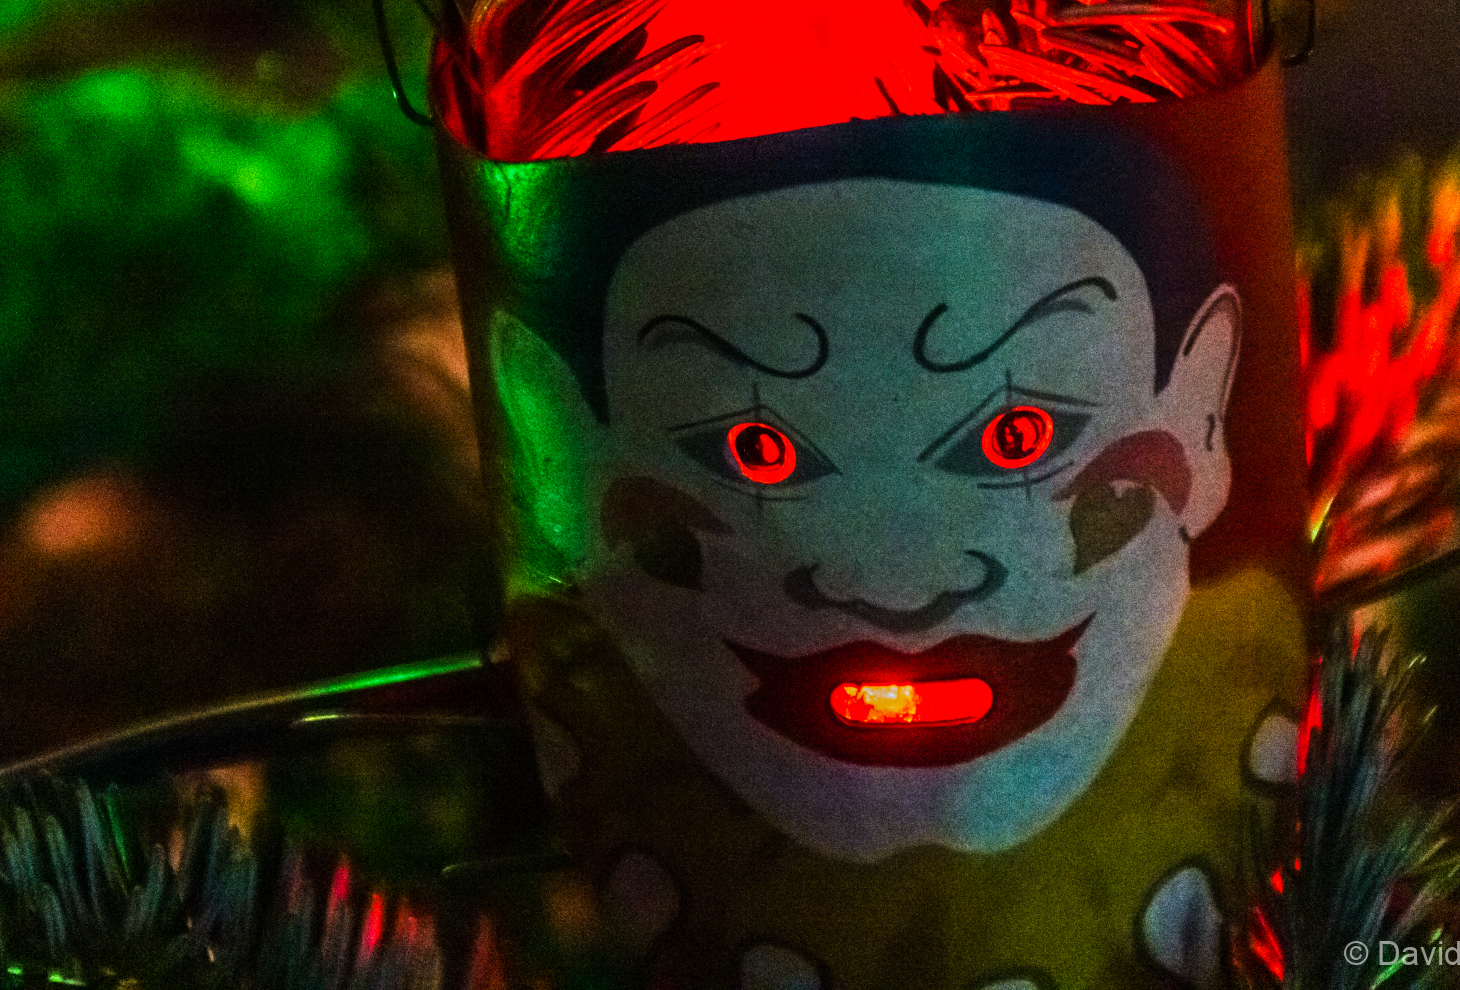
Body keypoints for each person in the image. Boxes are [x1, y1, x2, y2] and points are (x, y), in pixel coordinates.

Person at [452, 108, 1305, 988]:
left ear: (1198, 412)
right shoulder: (613, 763)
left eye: (1014, 436)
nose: (899, 590)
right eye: (757, 449)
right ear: (558, 445)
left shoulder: (1240, 695)